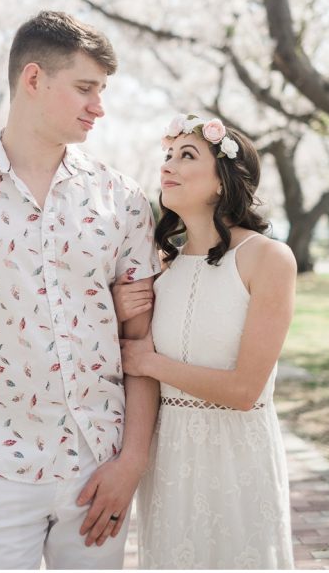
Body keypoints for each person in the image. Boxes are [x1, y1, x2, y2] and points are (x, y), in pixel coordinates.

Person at [0, 11, 160, 569]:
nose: (100, 106)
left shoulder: (124, 200)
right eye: (85, 88)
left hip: (98, 473)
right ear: (34, 79)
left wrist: (131, 460)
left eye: (102, 90)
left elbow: (142, 344)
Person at [114, 113, 297, 569]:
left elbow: (243, 390)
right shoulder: (161, 266)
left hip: (237, 456)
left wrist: (149, 362)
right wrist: (115, 314)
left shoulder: (267, 258)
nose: (168, 166)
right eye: (168, 155)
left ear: (222, 182)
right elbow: (121, 354)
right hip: (169, 458)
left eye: (187, 155)